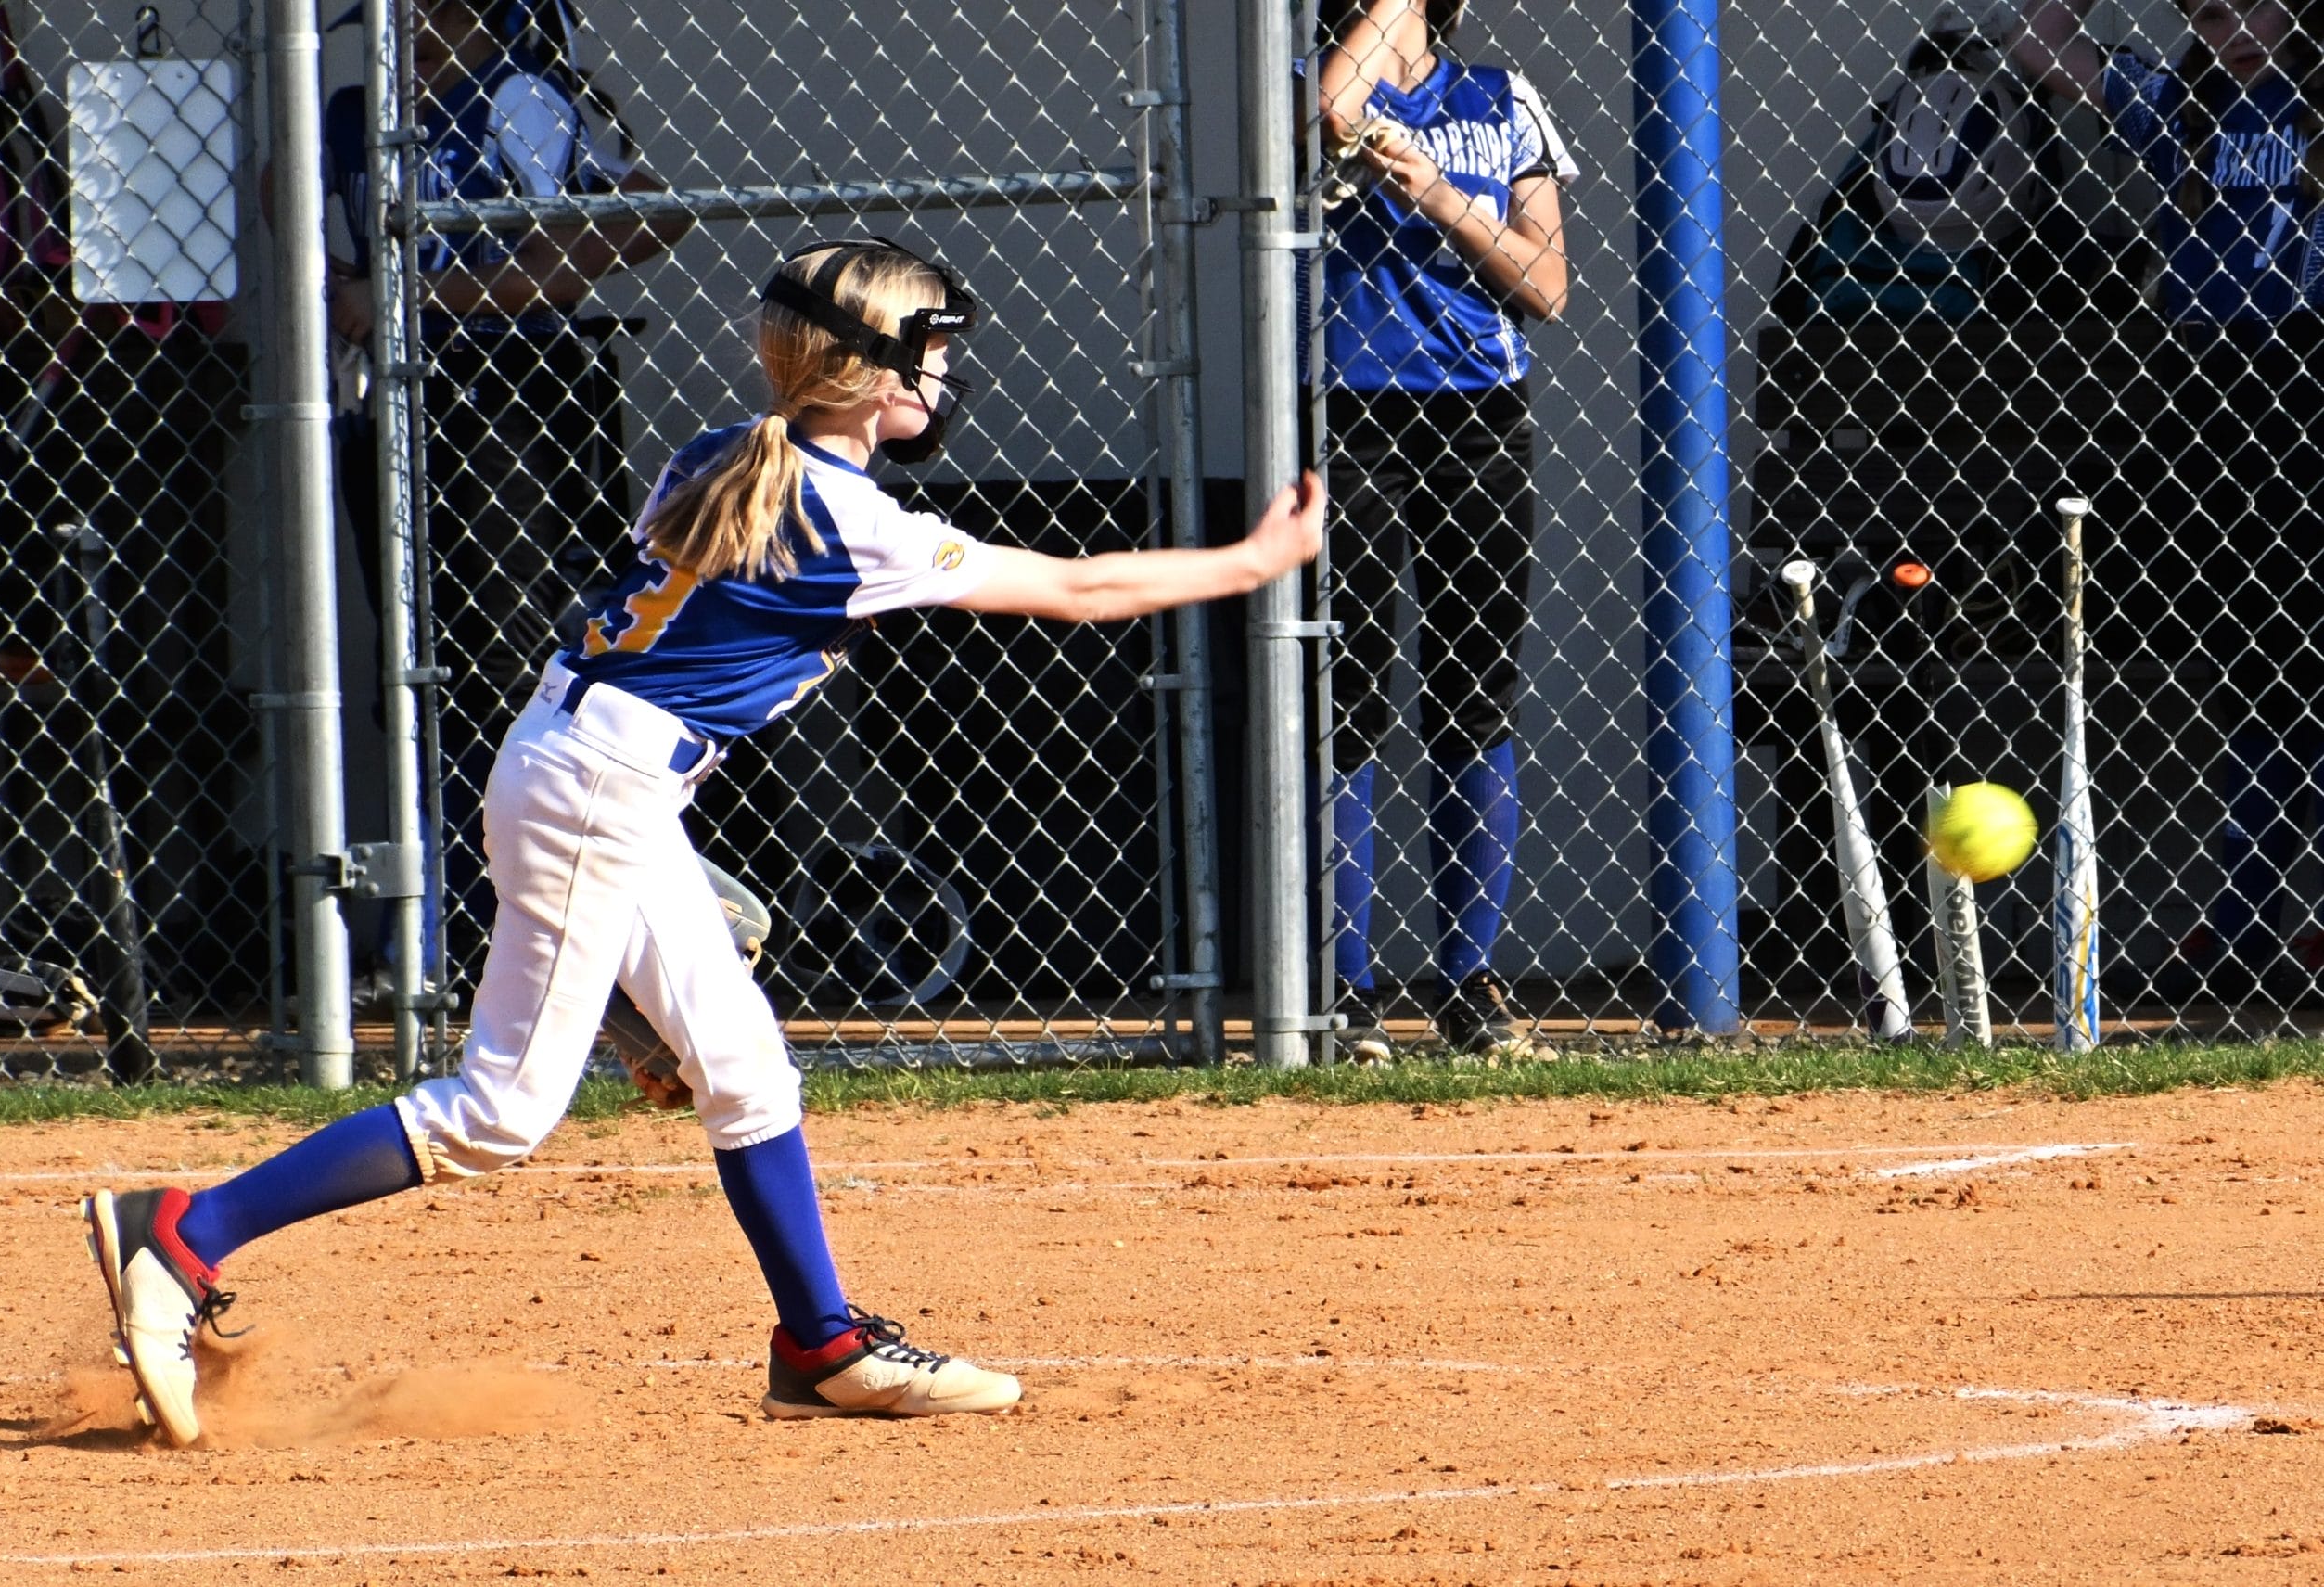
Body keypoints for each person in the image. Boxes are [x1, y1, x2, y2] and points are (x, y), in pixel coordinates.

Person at [80, 237, 1325, 1443]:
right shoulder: (851, 518)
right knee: (502, 1111)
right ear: (868, 369)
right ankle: (185, 1229)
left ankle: (822, 1346)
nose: (942, 376)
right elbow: (1081, 588)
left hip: (584, 766)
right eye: (927, 351)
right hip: (602, 789)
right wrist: (1252, 558)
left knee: (742, 1066)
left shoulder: (727, 449)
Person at [326, 0, 685, 999]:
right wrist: (347, 283)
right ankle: (430, 918)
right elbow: (297, 202)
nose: (420, 34)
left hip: (503, 400)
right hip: (392, 409)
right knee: (410, 660)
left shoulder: (520, 97)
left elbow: (648, 210)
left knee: (504, 656)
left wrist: (435, 298)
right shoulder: (359, 111)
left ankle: (514, 924)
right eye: (403, 18)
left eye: (446, 14)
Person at [2007, 0, 2324, 1004]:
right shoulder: (2181, 100)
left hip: (2311, 367)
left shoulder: (2310, 99)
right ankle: (2242, 917)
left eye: (2255, 7)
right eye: (2208, 8)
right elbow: (2037, 40)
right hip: (2213, 389)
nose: (2233, 28)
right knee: (2251, 659)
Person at [1310, 0, 1574, 1058]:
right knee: (1355, 690)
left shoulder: (1497, 97)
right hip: (1346, 409)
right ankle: (1349, 989)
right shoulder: (1320, 80)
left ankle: (1468, 984)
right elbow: (1333, 109)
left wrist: (1438, 195)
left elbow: (1545, 285)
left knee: (1472, 689)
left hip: (1476, 416)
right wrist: (1387, 14)